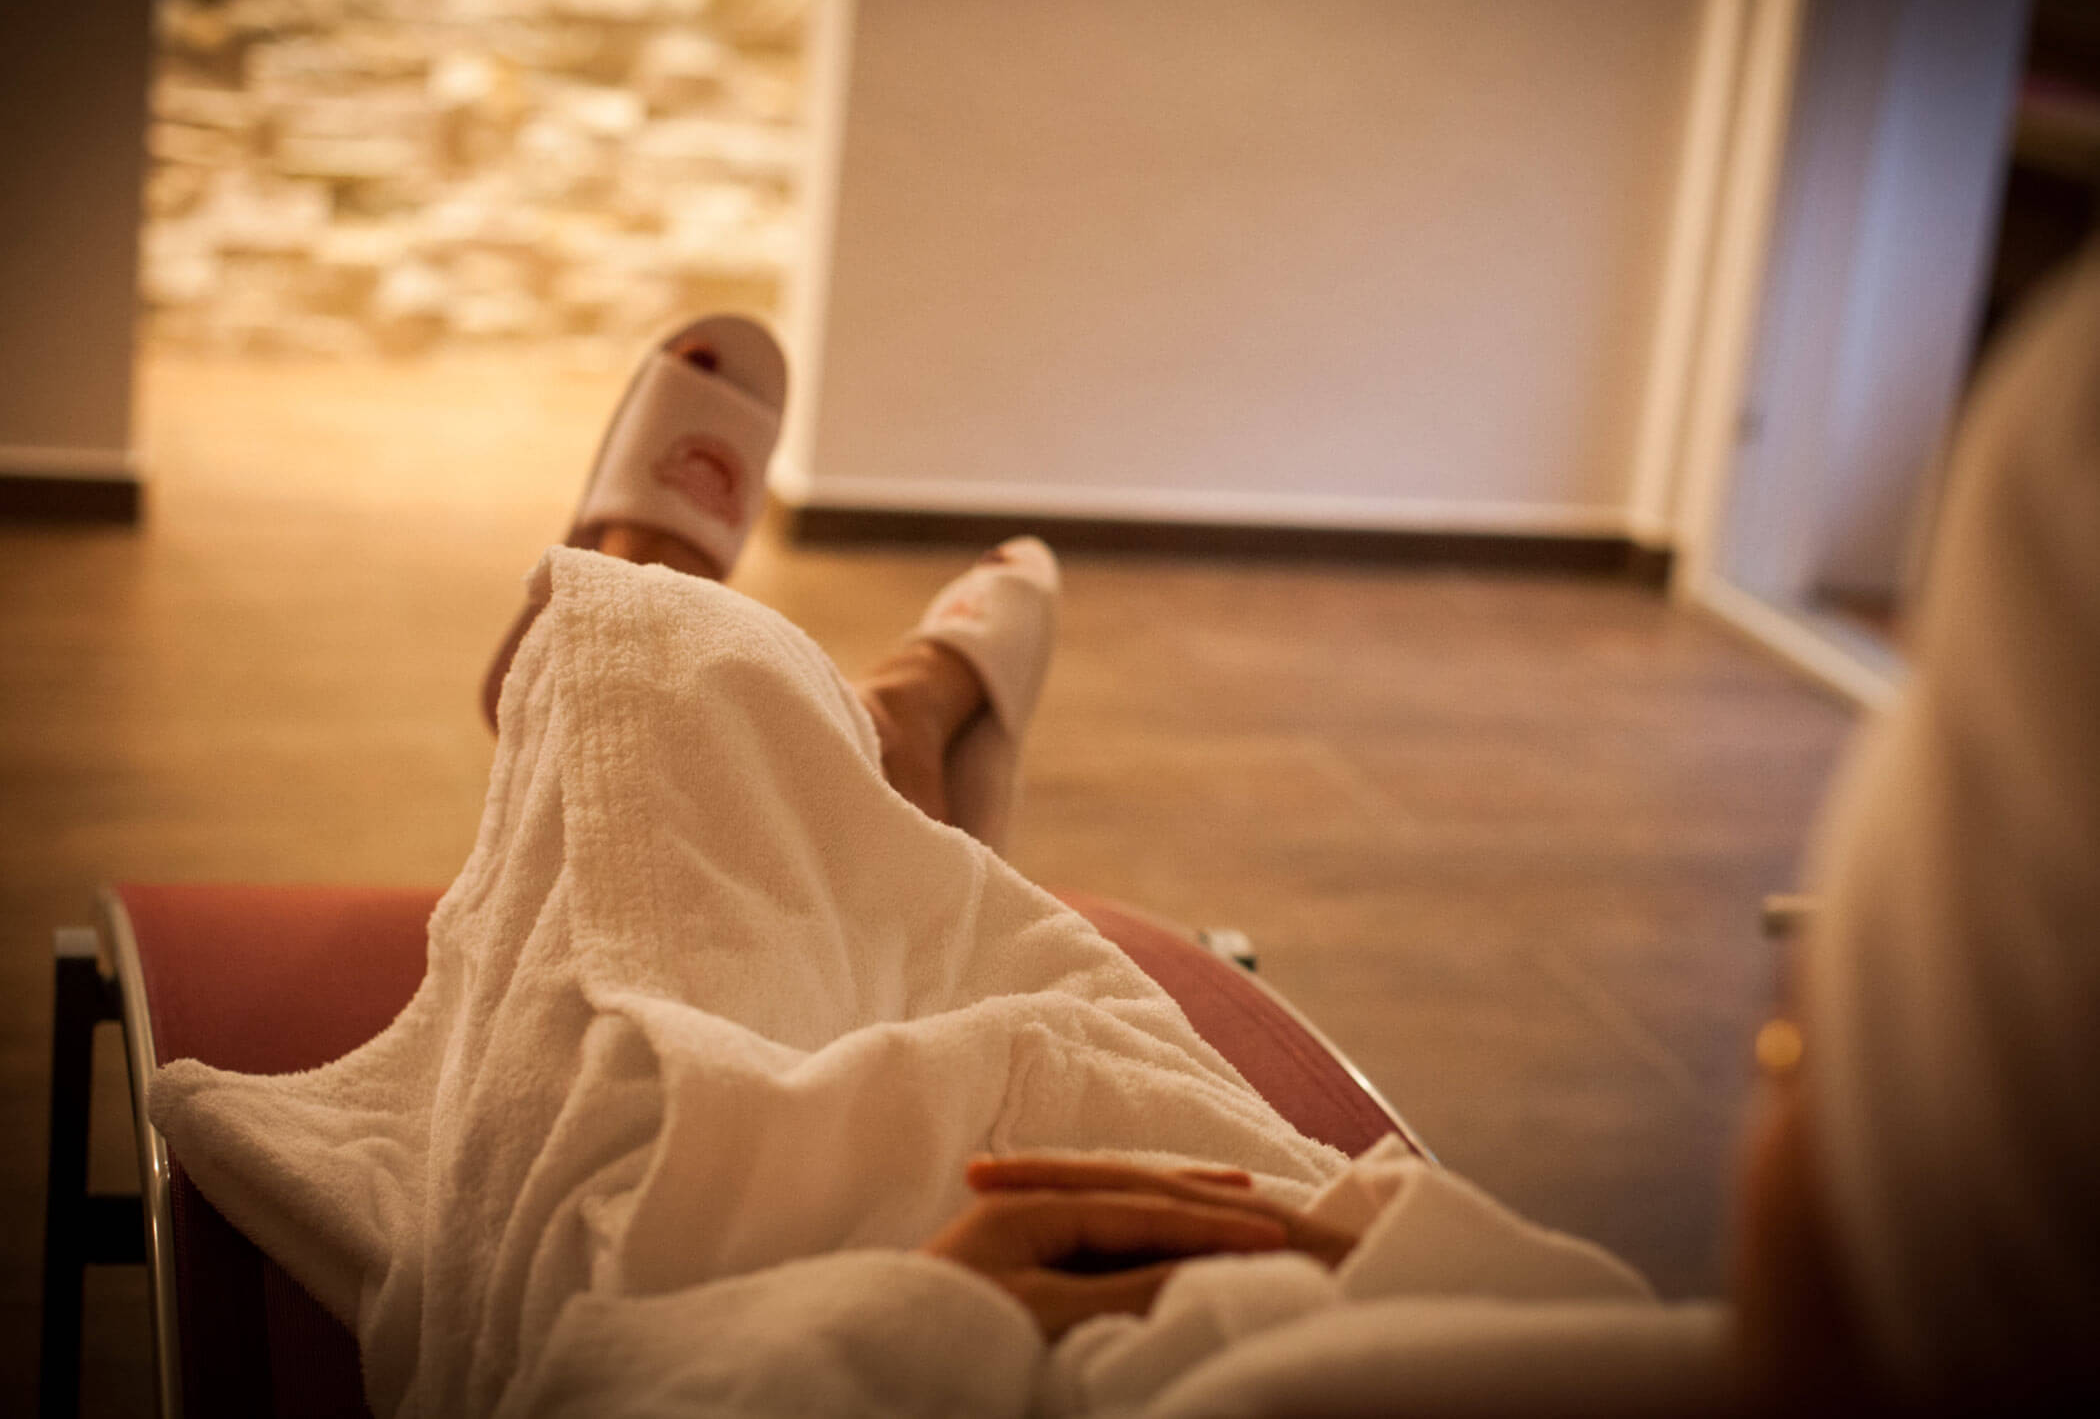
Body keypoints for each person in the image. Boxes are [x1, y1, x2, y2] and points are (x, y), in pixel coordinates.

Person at [149, 244, 2100, 1416]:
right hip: (1182, 1232)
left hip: (895, 1293)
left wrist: (912, 1319)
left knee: (628, 1025)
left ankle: (637, 615)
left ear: (1971, 1209)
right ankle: (807, 707)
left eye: (1809, 1047)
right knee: (916, 989)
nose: (1778, 1072)